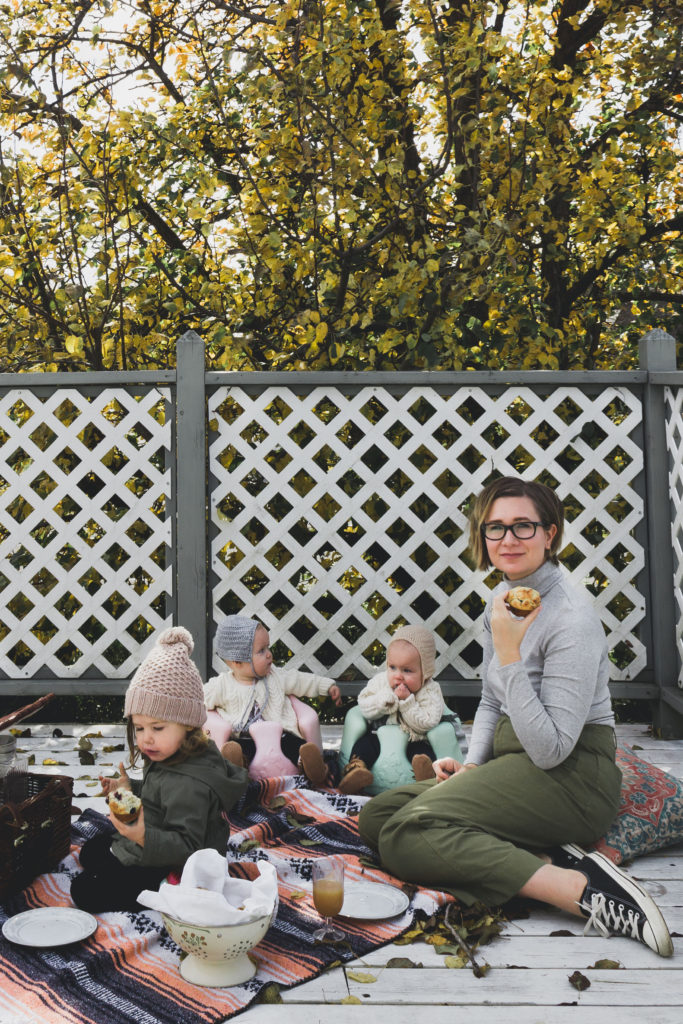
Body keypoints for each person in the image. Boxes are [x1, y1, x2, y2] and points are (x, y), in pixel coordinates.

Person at [358, 476, 674, 957]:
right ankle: (539, 853)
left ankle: (578, 888)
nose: (507, 539)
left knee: (405, 837)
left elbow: (551, 750)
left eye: (523, 526)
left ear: (551, 533)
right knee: (379, 817)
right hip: (514, 764)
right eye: (495, 528)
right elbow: (490, 700)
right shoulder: (501, 602)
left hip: (572, 779)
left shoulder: (571, 618)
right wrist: (473, 767)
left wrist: (509, 652)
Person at [70, 626, 248, 914]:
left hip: (177, 859)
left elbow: (187, 845)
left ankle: (167, 887)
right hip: (156, 834)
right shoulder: (169, 752)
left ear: (189, 723)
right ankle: (133, 859)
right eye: (139, 728)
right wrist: (129, 789)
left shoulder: (191, 784)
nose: (146, 738)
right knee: (91, 852)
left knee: (84, 891)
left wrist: (141, 836)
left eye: (157, 727)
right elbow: (163, 794)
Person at [204, 616, 342, 786]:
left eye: (268, 647)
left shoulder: (275, 676)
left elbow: (299, 680)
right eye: (261, 651)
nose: (269, 654)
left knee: (296, 745)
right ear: (237, 661)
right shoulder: (222, 685)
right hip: (246, 739)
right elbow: (197, 699)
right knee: (237, 748)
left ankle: (311, 767)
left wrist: (326, 686)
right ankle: (237, 766)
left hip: (281, 737)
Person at [338, 625, 445, 794]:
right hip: (378, 736)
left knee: (422, 753)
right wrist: (380, 702)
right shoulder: (381, 682)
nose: (398, 675)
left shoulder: (430, 690)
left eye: (407, 670)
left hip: (414, 739)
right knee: (364, 745)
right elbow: (363, 705)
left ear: (425, 672)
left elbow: (428, 722)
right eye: (392, 667)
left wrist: (407, 702)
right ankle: (356, 772)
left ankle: (426, 776)